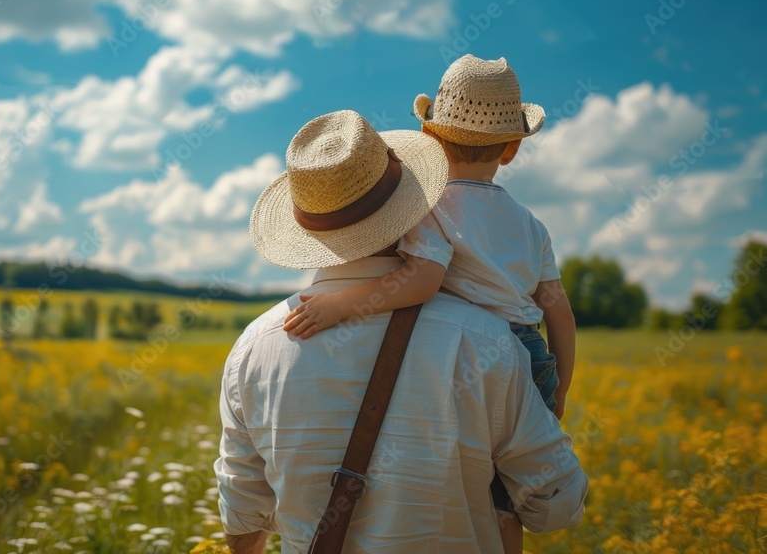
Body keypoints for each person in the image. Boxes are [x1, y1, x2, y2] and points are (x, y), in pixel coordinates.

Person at [215, 109, 587, 553]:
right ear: (410, 207)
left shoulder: (252, 350)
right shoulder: (490, 344)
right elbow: (556, 507)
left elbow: (242, 515)